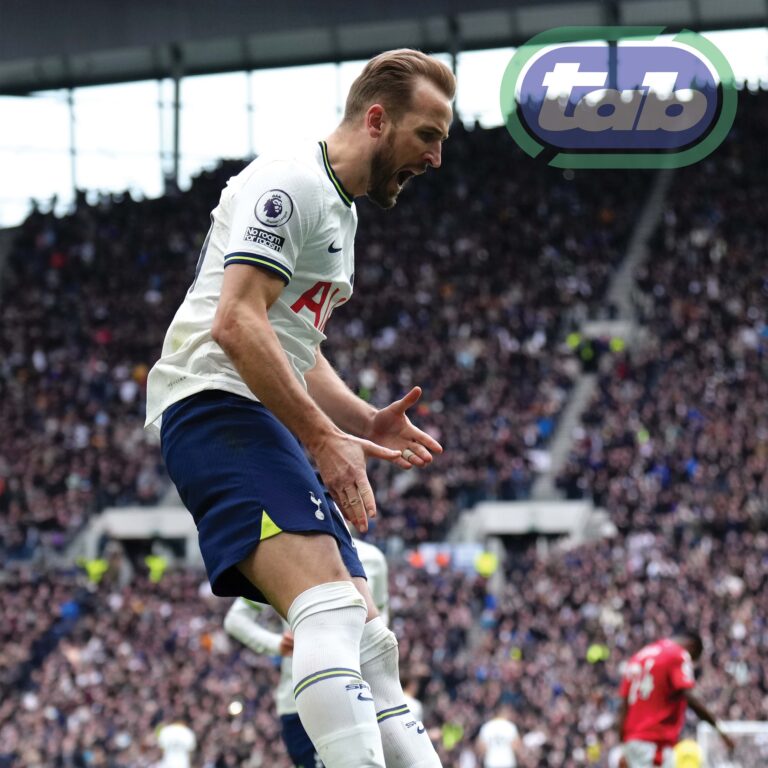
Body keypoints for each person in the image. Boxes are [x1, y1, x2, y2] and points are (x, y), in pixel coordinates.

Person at [145, 48, 454, 768]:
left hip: (259, 418)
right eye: (428, 135)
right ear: (377, 120)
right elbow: (236, 323)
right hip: (217, 409)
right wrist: (322, 439)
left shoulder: (339, 214)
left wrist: (357, 417)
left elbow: (294, 344)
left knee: (371, 642)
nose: (436, 159)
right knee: (332, 609)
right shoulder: (290, 184)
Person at [224, 539, 394, 768]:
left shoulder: (372, 558)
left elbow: (380, 623)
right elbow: (236, 619)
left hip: (361, 692)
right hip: (301, 696)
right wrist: (276, 644)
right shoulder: (284, 553)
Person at [617, 632, 734, 768]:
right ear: (692, 648)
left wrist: (623, 744)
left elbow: (624, 705)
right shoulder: (677, 654)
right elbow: (689, 697)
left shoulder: (639, 656)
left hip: (633, 740)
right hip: (654, 741)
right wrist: (719, 730)